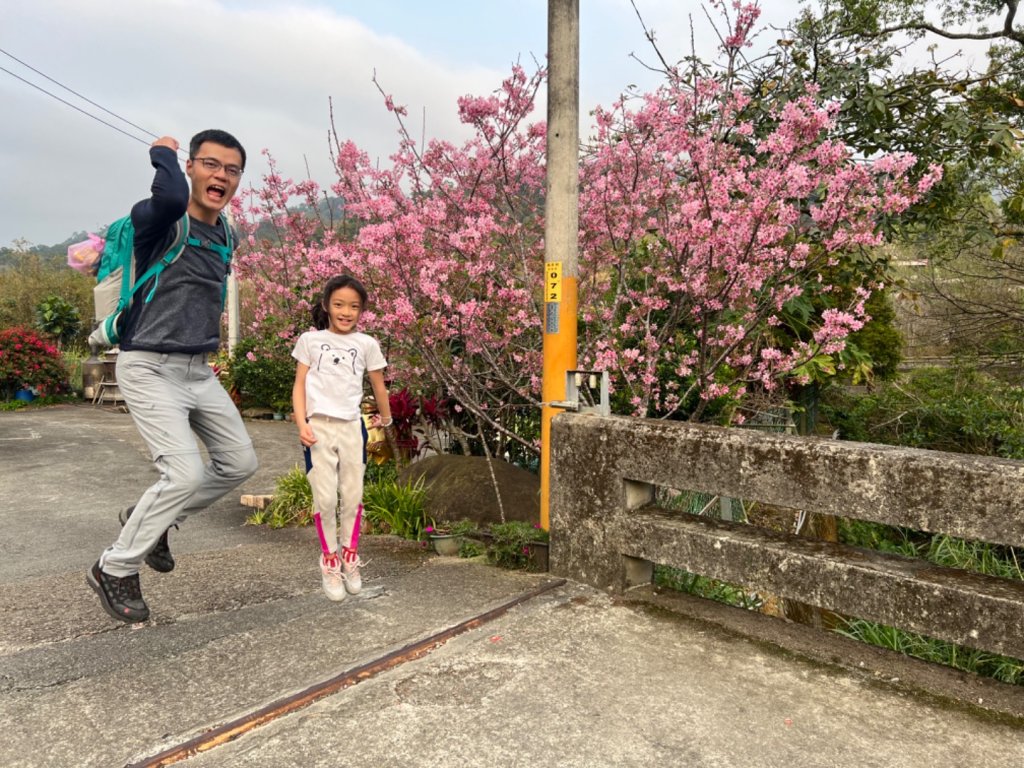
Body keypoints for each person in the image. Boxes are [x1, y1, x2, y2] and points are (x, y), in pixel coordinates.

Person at [87, 130, 259, 623]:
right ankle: (114, 567)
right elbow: (167, 195)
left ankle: (159, 523)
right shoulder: (162, 222)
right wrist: (161, 152)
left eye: (232, 170)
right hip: (148, 365)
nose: (221, 176)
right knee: (182, 473)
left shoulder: (228, 234)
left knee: (239, 462)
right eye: (211, 164)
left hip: (198, 370)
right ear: (191, 167)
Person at [292, 274, 394, 601]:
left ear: (362, 311)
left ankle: (350, 555)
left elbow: (378, 385)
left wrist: (386, 418)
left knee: (353, 495)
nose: (346, 312)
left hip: (352, 427)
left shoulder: (367, 344)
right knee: (324, 499)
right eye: (339, 305)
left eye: (353, 306)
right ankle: (329, 559)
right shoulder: (310, 340)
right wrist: (300, 422)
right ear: (326, 306)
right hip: (318, 428)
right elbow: (299, 385)